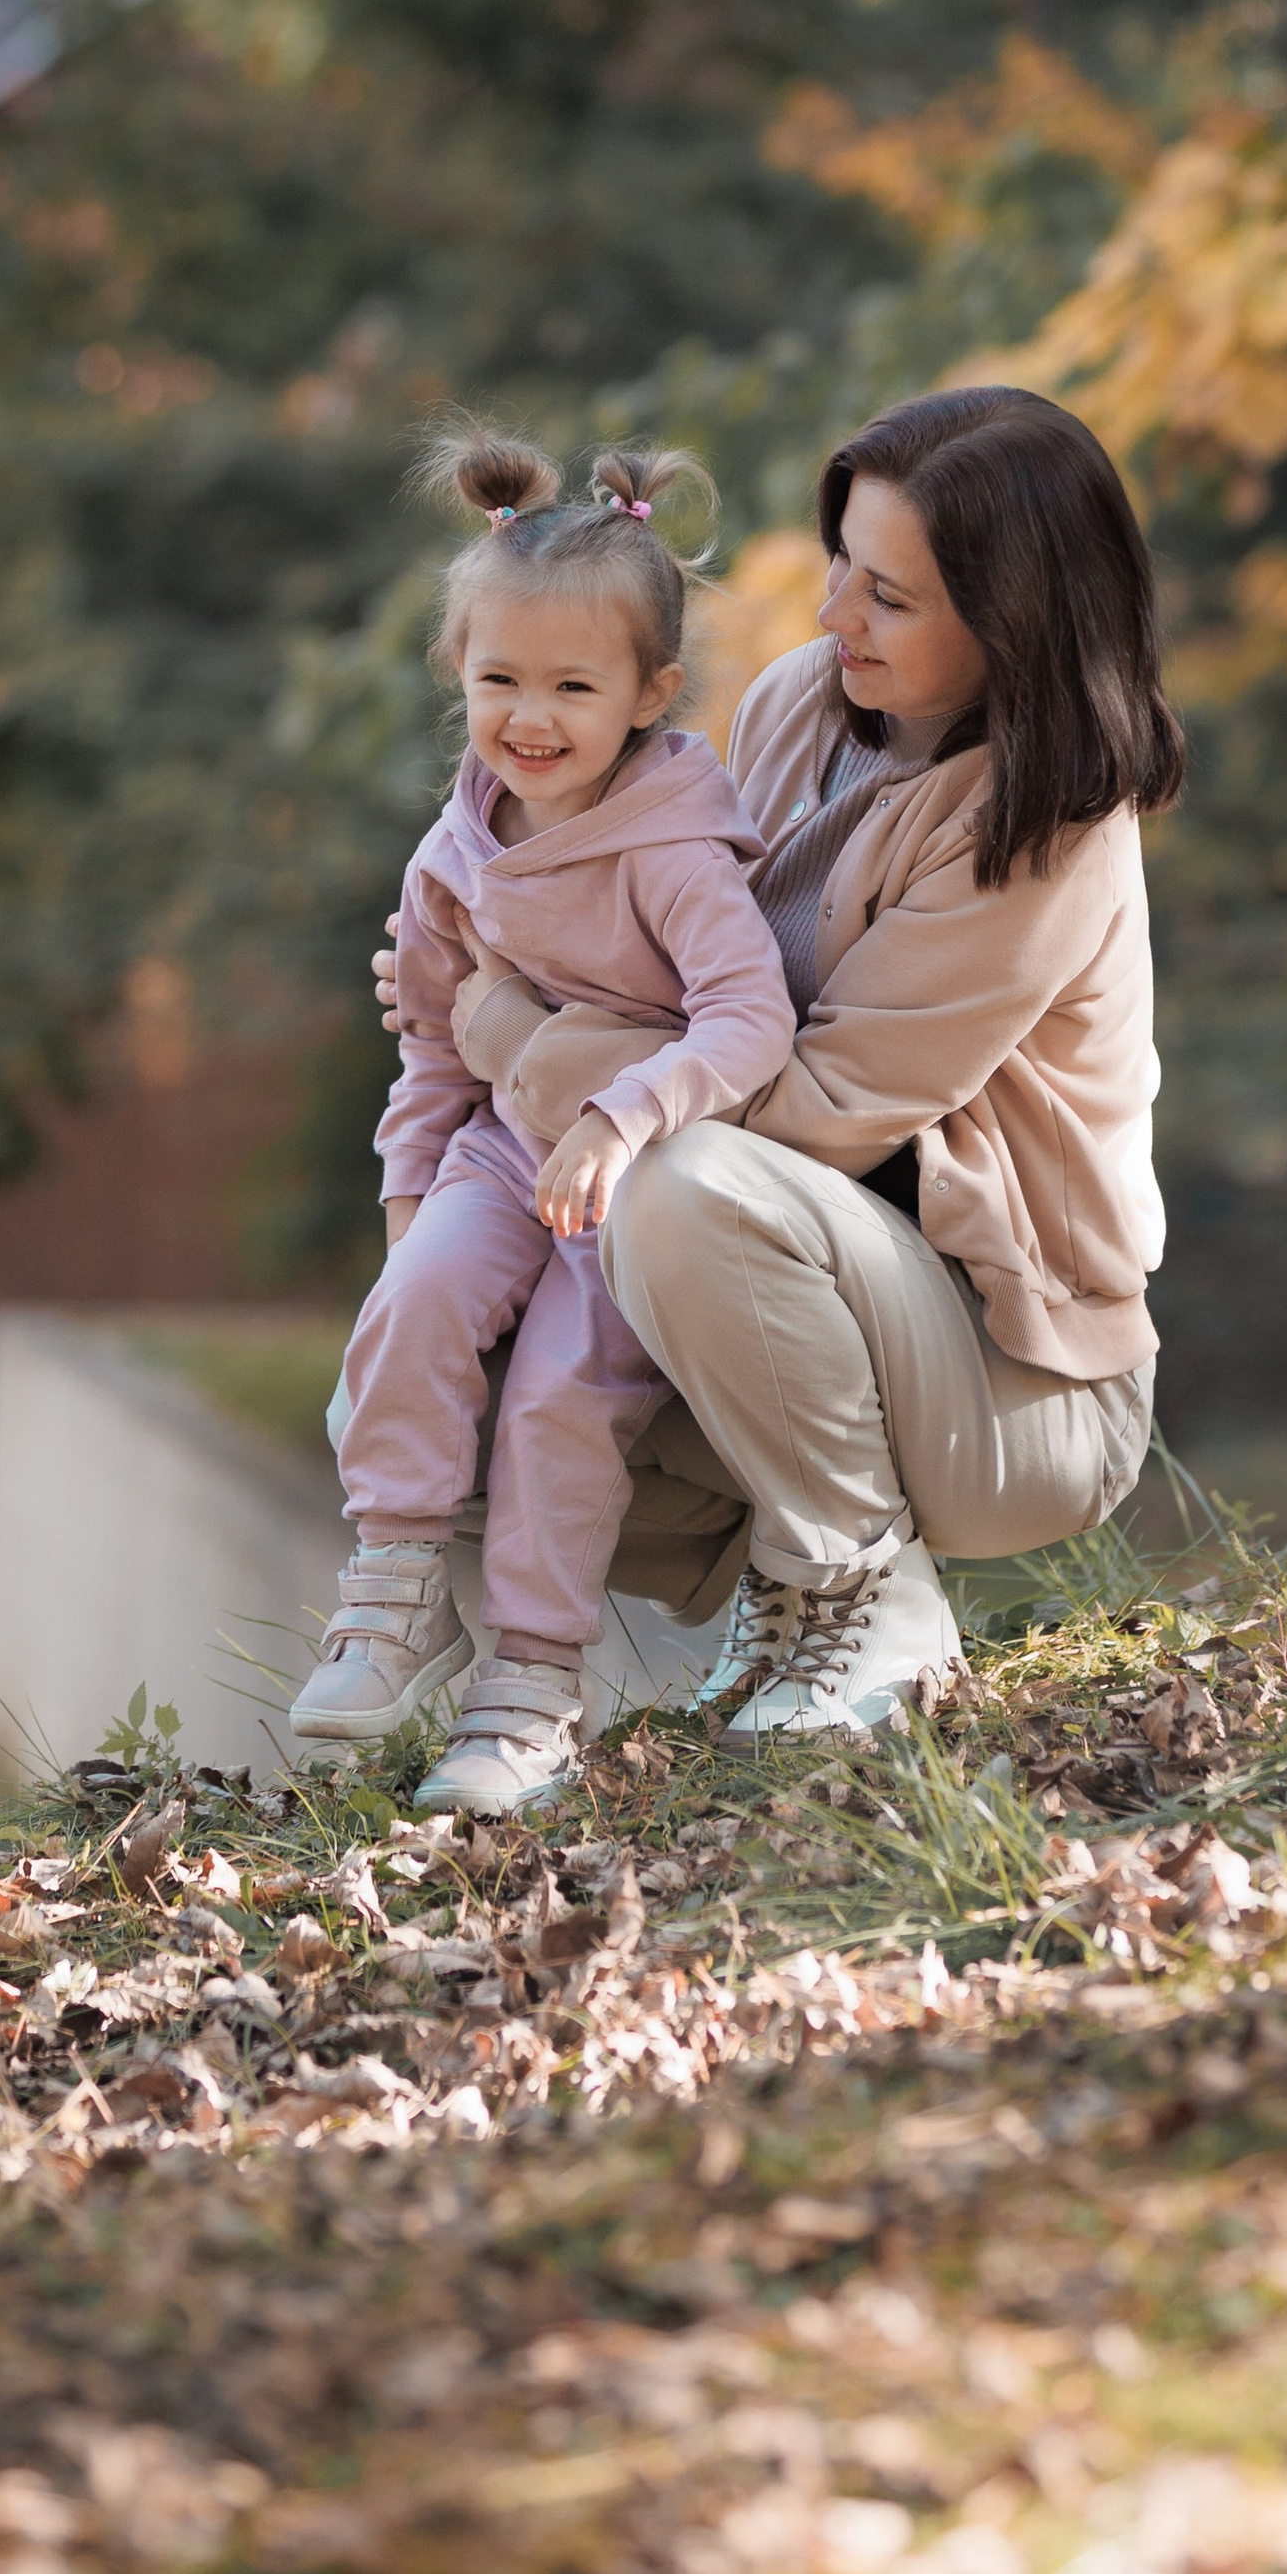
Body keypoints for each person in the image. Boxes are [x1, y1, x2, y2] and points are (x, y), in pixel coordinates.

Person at [425, 384, 1185, 1746]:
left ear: (1011, 622)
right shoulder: (796, 704)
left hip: (1020, 1383)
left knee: (681, 1178)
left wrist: (506, 1031)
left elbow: (816, 1113)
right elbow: (670, 958)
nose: (836, 611)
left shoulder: (1050, 823)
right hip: (812, 1287)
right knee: (439, 1352)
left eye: (889, 596)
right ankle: (787, 1586)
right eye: (843, 559)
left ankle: (863, 1587)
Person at [294, 426, 796, 1815]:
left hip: (636, 1177)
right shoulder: (453, 850)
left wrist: (623, 1118)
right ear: (458, 671)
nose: (531, 714)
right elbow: (434, 1061)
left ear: (652, 693)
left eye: (573, 684)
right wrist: (409, 1237)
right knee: (417, 1301)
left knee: (564, 1395)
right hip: (500, 1152)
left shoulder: (676, 848)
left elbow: (748, 1020)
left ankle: (531, 1687)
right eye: (499, 677)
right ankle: (395, 1590)